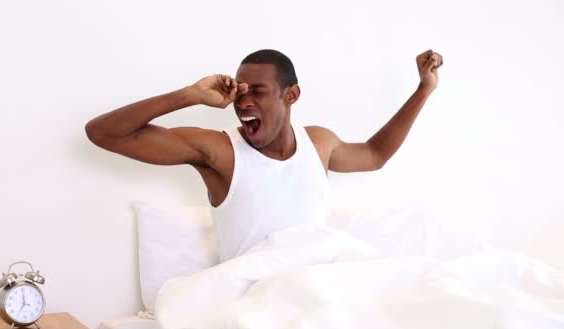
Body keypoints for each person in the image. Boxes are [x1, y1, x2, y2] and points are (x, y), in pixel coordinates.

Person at [85, 49, 443, 262]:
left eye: (257, 91)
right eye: (239, 93)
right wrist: (190, 95)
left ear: (291, 95)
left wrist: (423, 90)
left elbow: (374, 154)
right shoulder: (219, 150)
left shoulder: (318, 144)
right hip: (256, 299)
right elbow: (103, 133)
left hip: (321, 286)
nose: (243, 102)